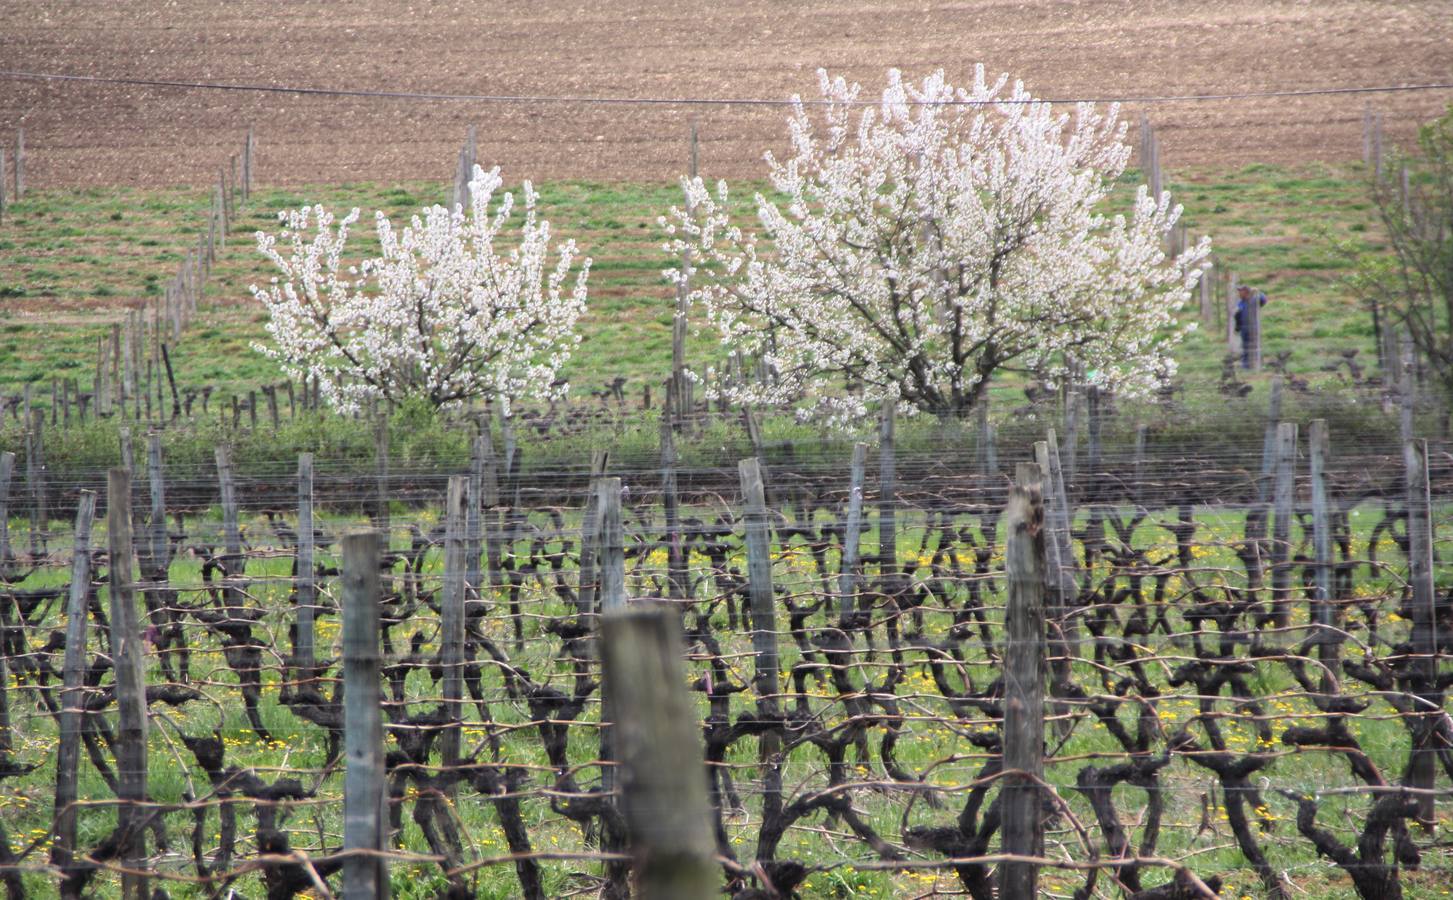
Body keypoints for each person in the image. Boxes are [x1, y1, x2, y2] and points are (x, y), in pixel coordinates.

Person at [1233, 284, 1268, 369]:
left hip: (1253, 327)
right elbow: (1237, 315)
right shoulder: (1241, 302)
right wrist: (1237, 326)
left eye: (1240, 292)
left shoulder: (1254, 300)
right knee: (1245, 346)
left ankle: (1256, 364)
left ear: (1246, 292)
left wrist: (1258, 292)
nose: (1239, 294)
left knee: (1254, 346)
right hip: (1244, 328)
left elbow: (1263, 299)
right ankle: (1246, 365)